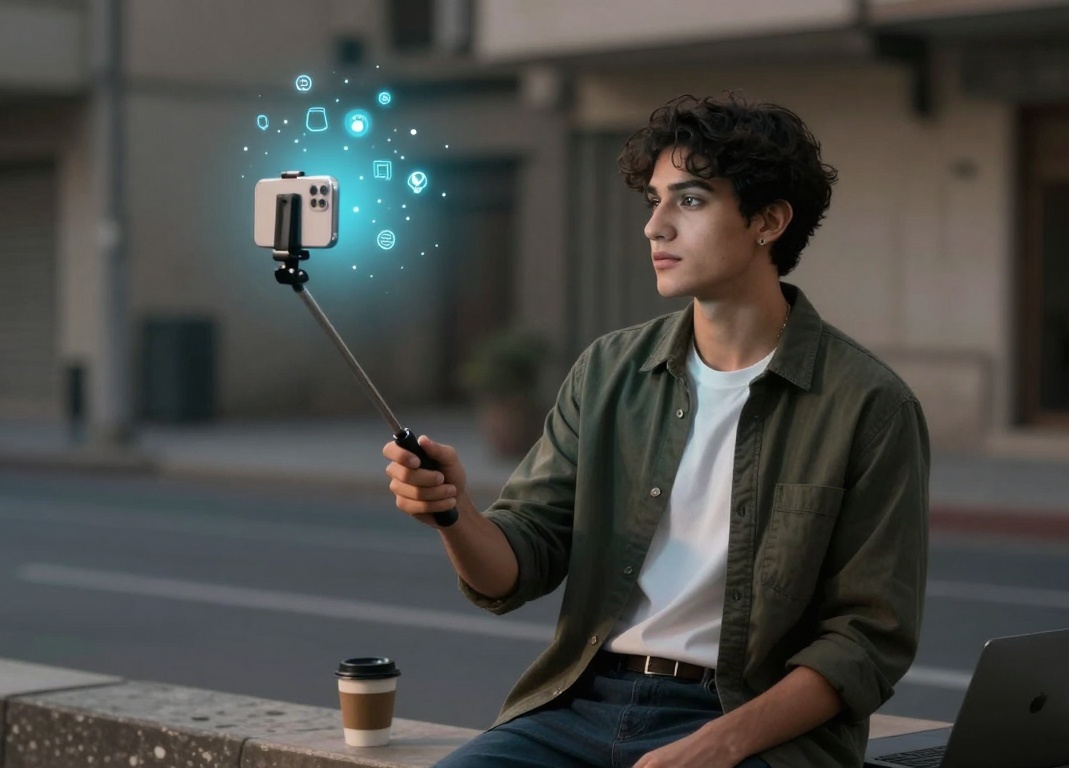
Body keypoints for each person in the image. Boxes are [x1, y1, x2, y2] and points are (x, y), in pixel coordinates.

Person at [383, 93, 930, 767]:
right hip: (580, 704)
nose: (654, 227)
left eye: (690, 201)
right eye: (654, 199)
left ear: (768, 221)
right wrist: (454, 512)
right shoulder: (610, 370)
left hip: (750, 724)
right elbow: (512, 571)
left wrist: (716, 747)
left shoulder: (868, 404)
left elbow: (867, 640)